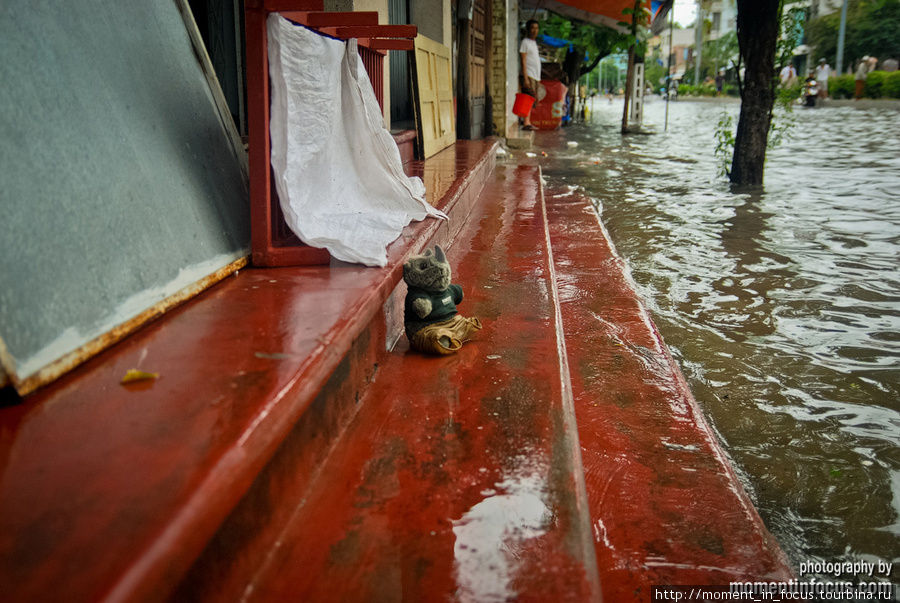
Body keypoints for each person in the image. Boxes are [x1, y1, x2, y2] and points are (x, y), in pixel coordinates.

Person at [519, 19, 540, 131]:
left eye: (536, 28)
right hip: (529, 74)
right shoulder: (525, 42)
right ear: (527, 29)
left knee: (532, 99)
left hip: (535, 75)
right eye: (532, 28)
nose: (534, 31)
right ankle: (526, 123)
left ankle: (528, 122)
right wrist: (526, 78)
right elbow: (523, 60)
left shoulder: (534, 43)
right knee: (528, 98)